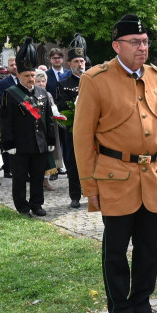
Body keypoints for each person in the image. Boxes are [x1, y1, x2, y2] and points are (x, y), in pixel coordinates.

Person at [74, 14, 157, 313]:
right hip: (115, 177)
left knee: (150, 247)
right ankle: (121, 311)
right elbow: (82, 138)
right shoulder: (96, 79)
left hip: (153, 176)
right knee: (116, 249)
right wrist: (89, 186)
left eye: (145, 41)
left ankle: (142, 305)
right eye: (135, 42)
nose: (142, 47)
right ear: (117, 45)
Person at [0, 44, 56, 218]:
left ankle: (37, 204)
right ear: (18, 75)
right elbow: (6, 121)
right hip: (20, 144)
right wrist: (9, 143)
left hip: (39, 143)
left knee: (38, 177)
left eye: (33, 75)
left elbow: (49, 119)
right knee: (20, 178)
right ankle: (22, 207)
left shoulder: (42, 92)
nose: (31, 79)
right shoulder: (10, 93)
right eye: (27, 76)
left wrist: (51, 140)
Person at [58, 45, 87, 208]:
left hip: (93, 131)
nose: (80, 64)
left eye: (82, 60)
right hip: (72, 131)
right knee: (73, 163)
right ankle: (75, 196)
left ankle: (92, 192)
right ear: (70, 64)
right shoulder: (63, 84)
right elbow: (62, 106)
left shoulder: (92, 80)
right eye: (76, 61)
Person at [34, 70, 62, 191]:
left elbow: (53, 109)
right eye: (38, 81)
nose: (41, 84)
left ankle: (46, 181)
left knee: (50, 155)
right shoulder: (32, 94)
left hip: (50, 128)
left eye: (43, 81)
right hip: (38, 129)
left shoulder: (49, 94)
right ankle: (38, 181)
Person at [0, 57, 20, 178]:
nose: (14, 67)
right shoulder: (4, 82)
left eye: (16, 64)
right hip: (10, 118)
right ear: (8, 67)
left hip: (26, 119)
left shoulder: (27, 79)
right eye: (11, 65)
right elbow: (0, 99)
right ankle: (8, 168)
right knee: (8, 143)